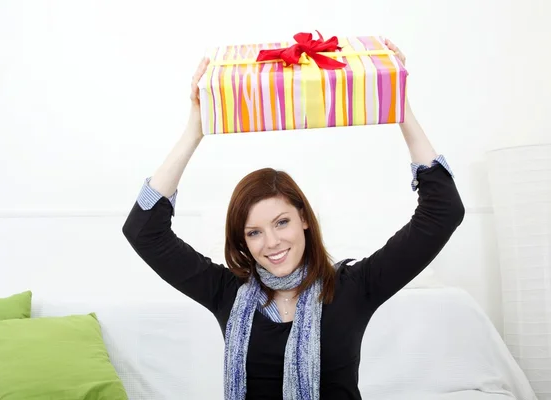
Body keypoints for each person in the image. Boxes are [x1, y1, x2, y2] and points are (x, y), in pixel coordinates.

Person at [122, 40, 465, 400]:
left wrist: (400, 106)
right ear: (242, 241)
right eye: (254, 232)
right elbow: (143, 230)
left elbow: (443, 211)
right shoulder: (226, 293)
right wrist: (194, 128)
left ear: (303, 217)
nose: (271, 243)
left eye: (281, 222)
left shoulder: (355, 287)